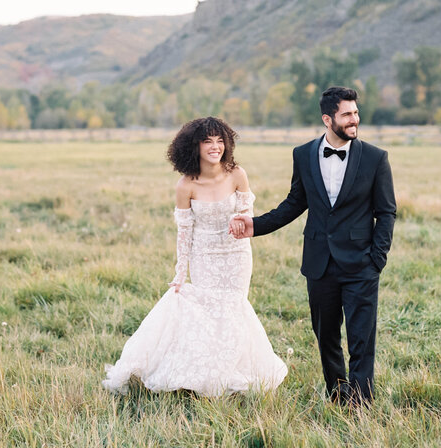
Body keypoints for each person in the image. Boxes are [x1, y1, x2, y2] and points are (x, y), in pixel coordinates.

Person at [230, 86, 396, 406]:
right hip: (319, 262)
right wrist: (256, 225)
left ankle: (361, 403)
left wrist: (377, 258)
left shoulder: (376, 158)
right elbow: (295, 203)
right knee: (326, 335)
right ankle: (337, 394)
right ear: (327, 118)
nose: (354, 119)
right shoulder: (303, 154)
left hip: (362, 263)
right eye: (347, 114)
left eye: (356, 113)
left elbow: (386, 211)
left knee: (361, 338)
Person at [102, 116, 287, 397]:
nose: (215, 147)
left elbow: (247, 213)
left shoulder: (238, 174)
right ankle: (204, 376)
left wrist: (241, 219)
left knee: (233, 310)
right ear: (194, 147)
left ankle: (230, 374)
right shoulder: (185, 186)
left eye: (219, 141)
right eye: (207, 141)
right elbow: (184, 233)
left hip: (236, 254)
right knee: (208, 316)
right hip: (204, 257)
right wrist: (180, 274)